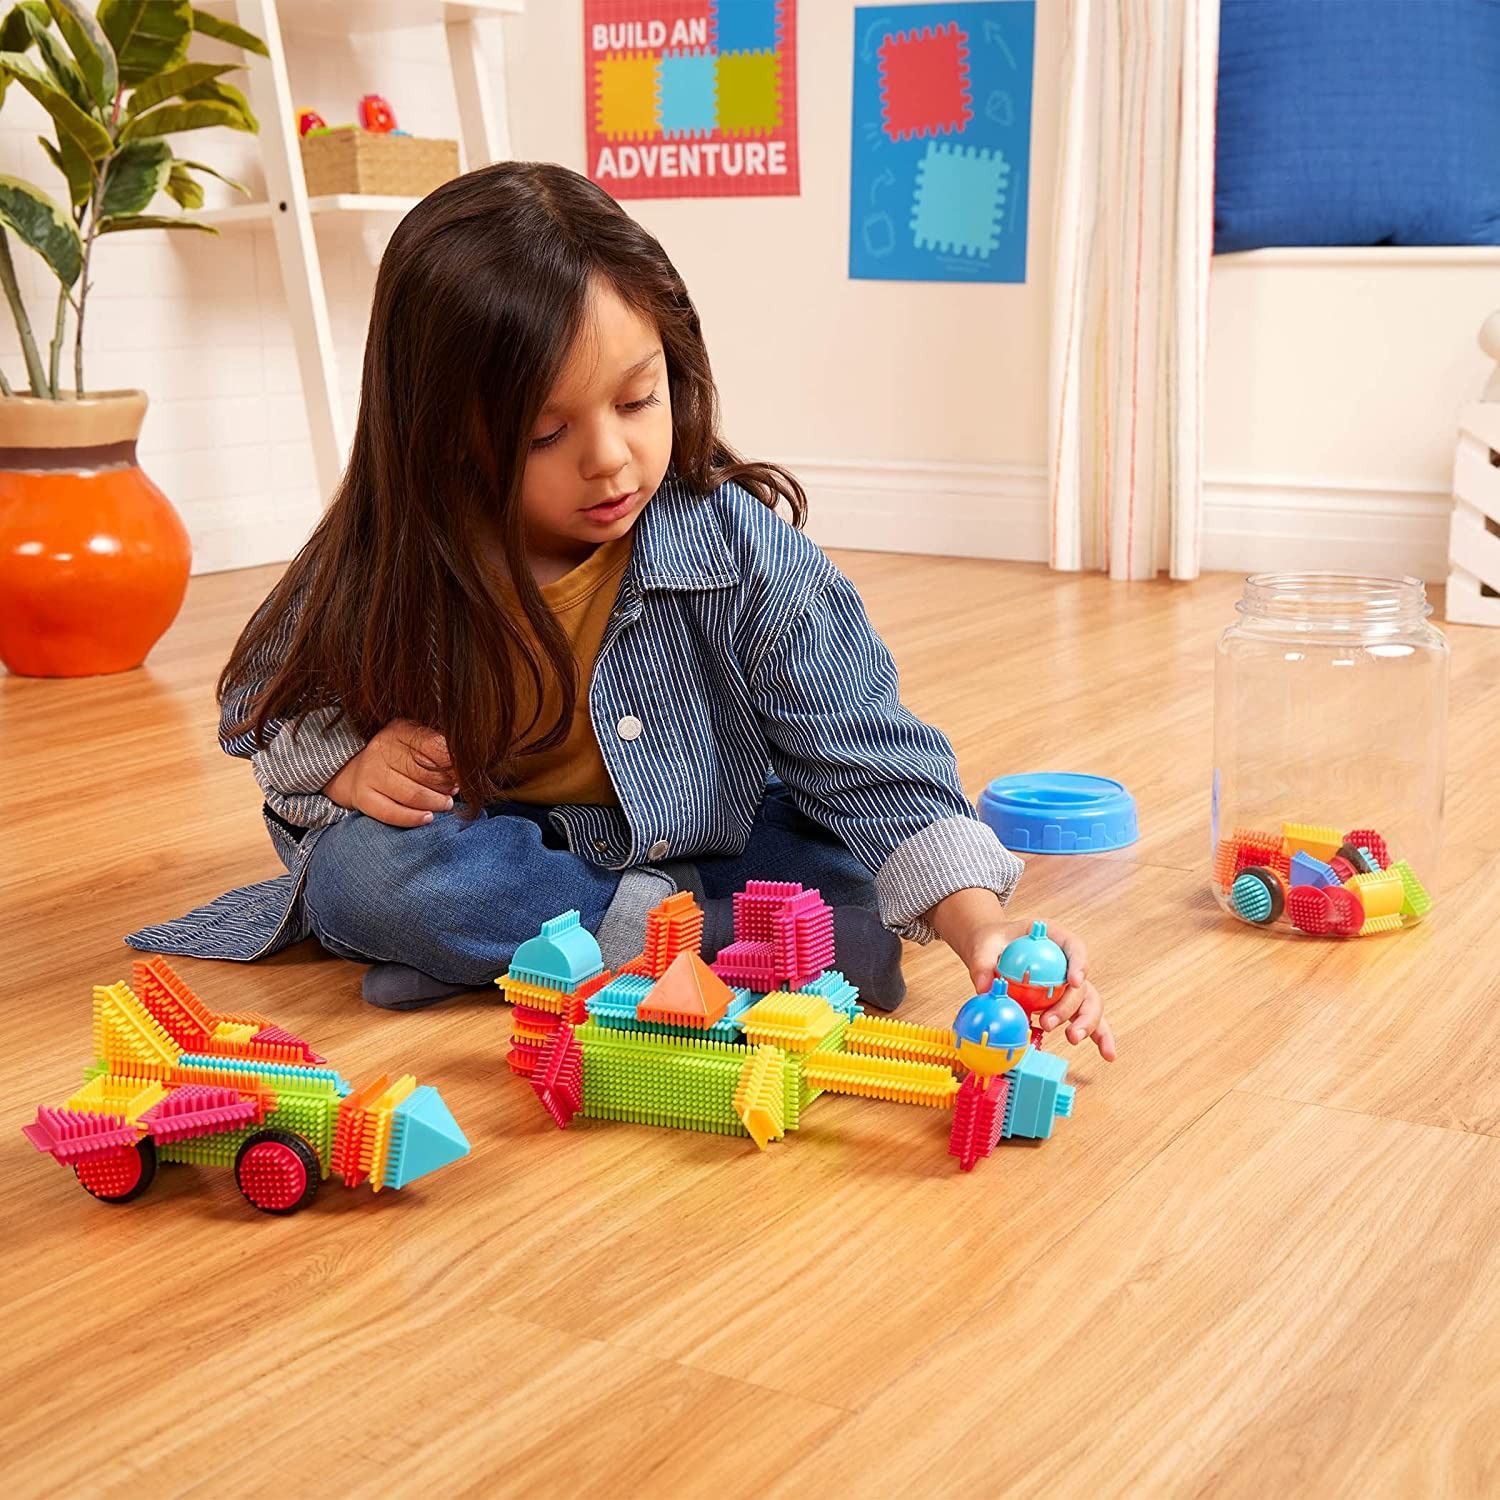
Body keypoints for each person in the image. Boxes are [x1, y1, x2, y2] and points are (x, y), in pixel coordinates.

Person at [127, 162, 1114, 1060]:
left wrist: (983, 928)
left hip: (706, 835)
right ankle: (666, 941)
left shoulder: (739, 548)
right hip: (499, 843)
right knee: (373, 879)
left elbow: (870, 757)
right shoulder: (393, 551)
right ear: (440, 433)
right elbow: (262, 702)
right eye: (545, 434)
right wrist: (347, 763)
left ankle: (527, 959)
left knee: (851, 899)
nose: (608, 459)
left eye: (638, 401)